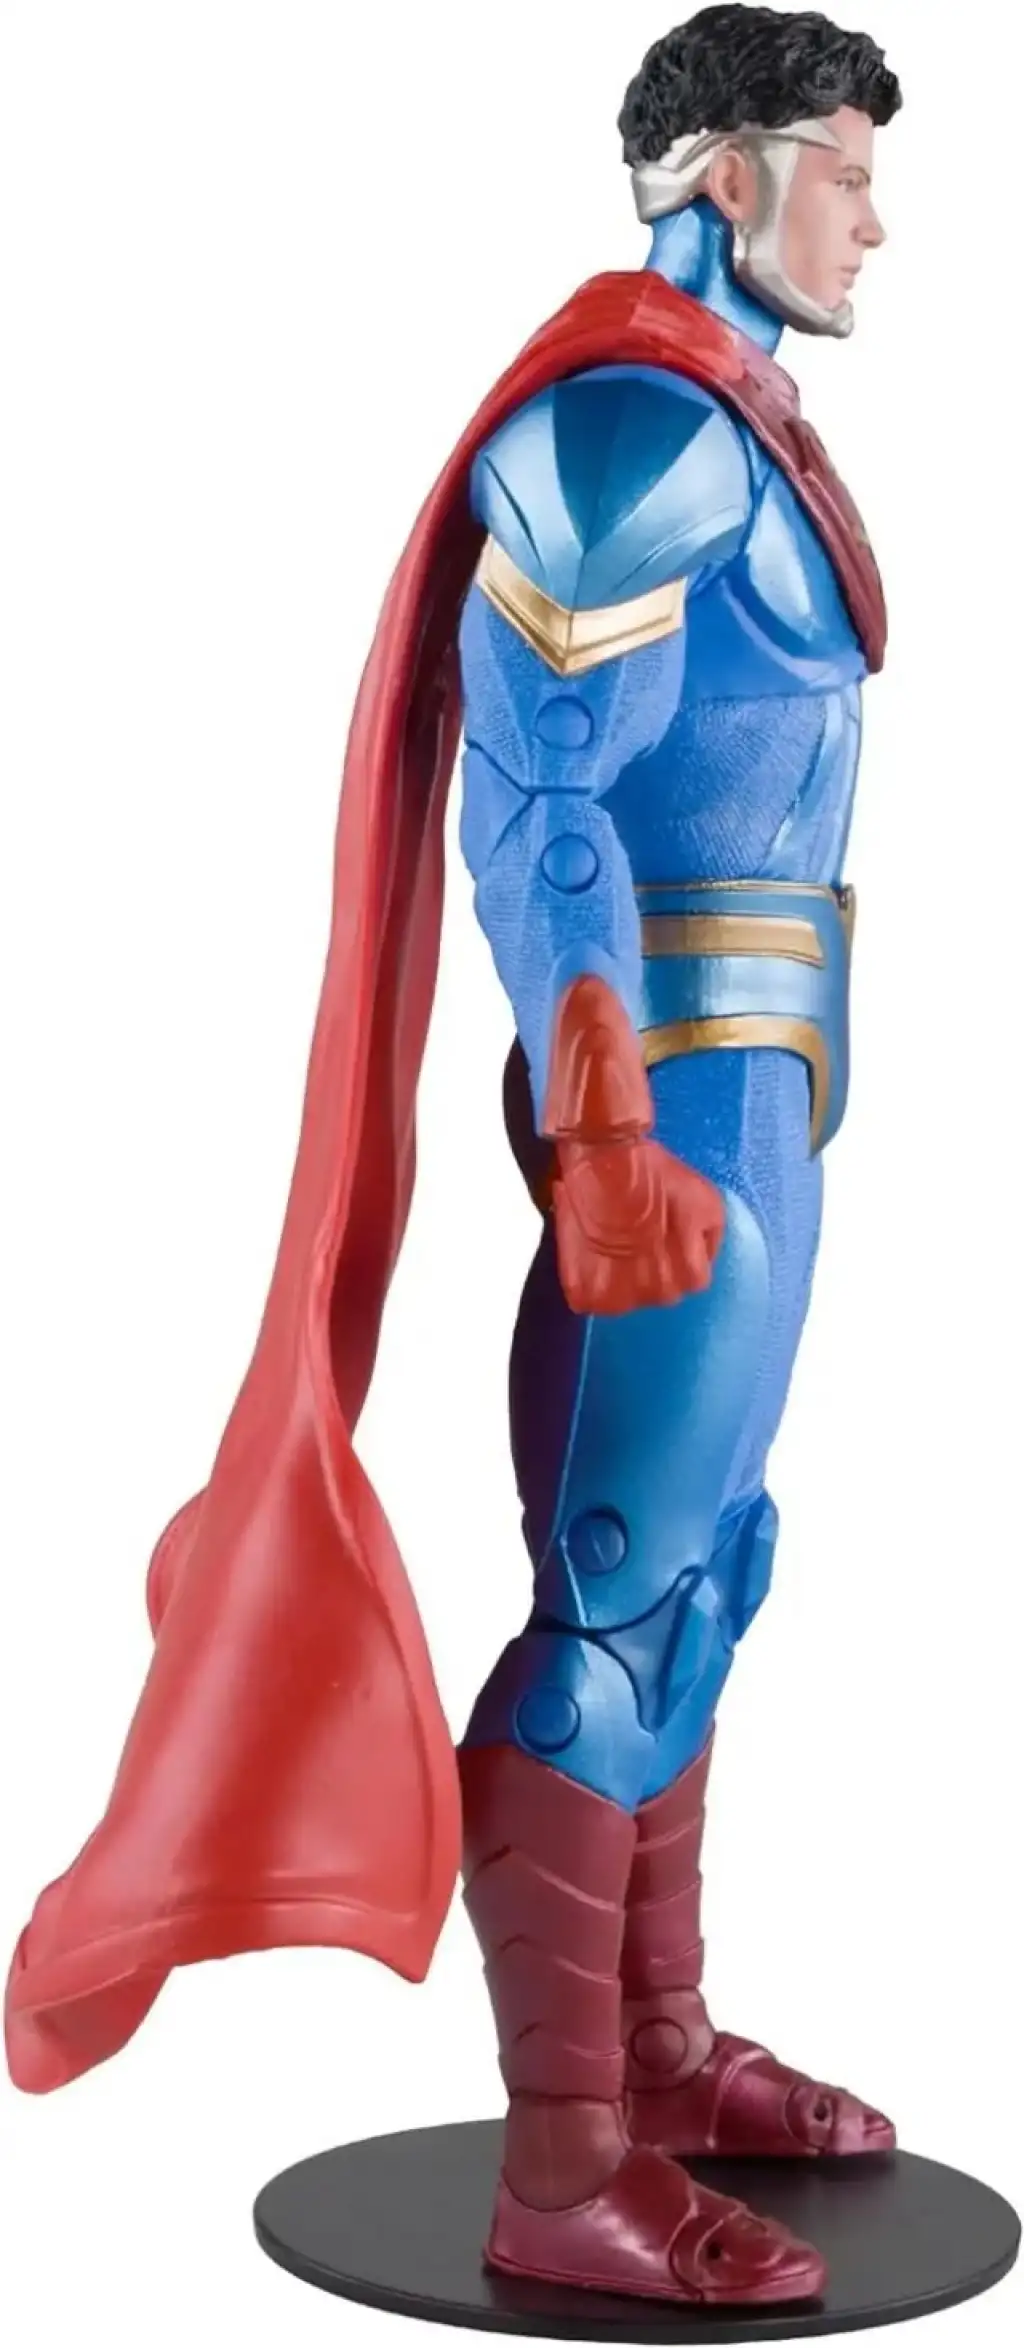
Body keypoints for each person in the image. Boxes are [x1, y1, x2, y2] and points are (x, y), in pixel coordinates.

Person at [7, 5, 902, 2310]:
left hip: (762, 1083)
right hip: (664, 1094)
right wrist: (597, 1123)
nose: (872, 219)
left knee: (708, 1569)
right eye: (839, 168)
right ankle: (562, 2165)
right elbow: (539, 794)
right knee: (613, 1596)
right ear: (721, 175)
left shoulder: (729, 424)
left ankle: (657, 2046)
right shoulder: (622, 436)